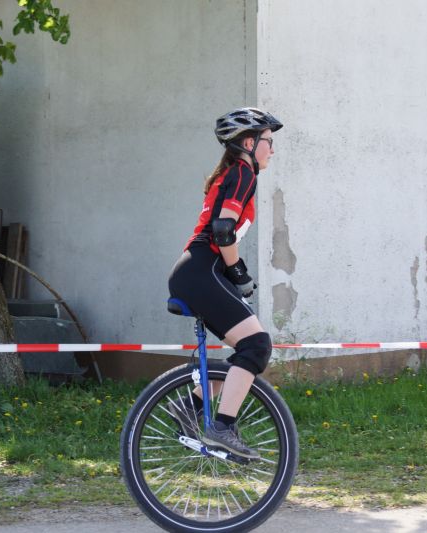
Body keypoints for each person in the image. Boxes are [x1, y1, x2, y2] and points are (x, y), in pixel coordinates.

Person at [167, 107, 282, 459]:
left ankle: (189, 407)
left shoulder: (235, 172)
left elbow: (221, 230)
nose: (272, 149)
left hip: (198, 272)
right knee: (257, 345)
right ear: (249, 143)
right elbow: (222, 230)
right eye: (268, 141)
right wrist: (238, 273)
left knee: (248, 349)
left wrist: (233, 272)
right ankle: (221, 427)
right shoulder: (244, 172)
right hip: (202, 272)